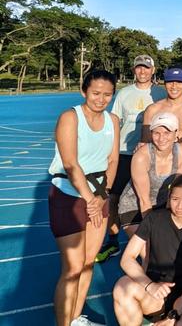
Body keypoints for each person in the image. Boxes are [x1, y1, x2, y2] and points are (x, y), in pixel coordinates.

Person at [48, 70, 120, 326]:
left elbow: (113, 160)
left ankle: (76, 317)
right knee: (73, 268)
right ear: (84, 91)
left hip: (99, 197)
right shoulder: (70, 118)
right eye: (96, 93)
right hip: (69, 196)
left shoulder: (112, 120)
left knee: (89, 262)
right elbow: (70, 164)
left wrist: (103, 196)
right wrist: (91, 200)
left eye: (108, 94)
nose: (101, 99)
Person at [113, 174, 182, 326]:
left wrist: (175, 314)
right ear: (169, 197)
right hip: (156, 293)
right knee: (122, 286)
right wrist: (150, 285)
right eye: (175, 199)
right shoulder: (154, 219)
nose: (179, 206)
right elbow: (127, 259)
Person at [97, 54, 165, 263]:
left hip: (152, 155)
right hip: (124, 153)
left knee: (153, 198)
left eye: (146, 68)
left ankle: (156, 242)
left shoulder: (160, 93)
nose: (142, 71)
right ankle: (113, 240)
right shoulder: (124, 94)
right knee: (114, 199)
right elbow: (115, 121)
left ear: (153, 70)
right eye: (139, 68)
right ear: (134, 70)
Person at [117, 112, 182, 238]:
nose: (161, 138)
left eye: (167, 133)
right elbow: (144, 200)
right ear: (151, 134)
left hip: (162, 205)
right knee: (150, 248)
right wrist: (153, 231)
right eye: (157, 133)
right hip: (134, 206)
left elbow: (176, 193)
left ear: (176, 134)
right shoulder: (141, 157)